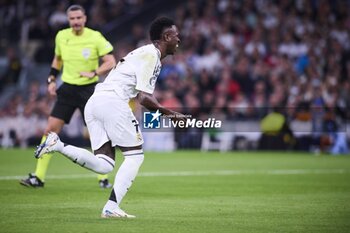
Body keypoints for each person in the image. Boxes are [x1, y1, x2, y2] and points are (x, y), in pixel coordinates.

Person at [34, 16, 184, 218]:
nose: (179, 40)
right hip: (113, 102)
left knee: (104, 163)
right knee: (135, 156)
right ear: (166, 37)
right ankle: (112, 207)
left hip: (95, 102)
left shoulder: (144, 53)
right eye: (176, 36)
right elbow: (144, 98)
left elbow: (141, 96)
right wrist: (171, 114)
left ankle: (58, 145)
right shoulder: (152, 55)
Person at [20, 5, 116, 189]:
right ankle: (38, 177)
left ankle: (103, 178)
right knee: (50, 129)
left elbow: (110, 61)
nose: (76, 21)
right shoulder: (62, 36)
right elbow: (57, 59)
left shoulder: (94, 36)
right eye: (72, 18)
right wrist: (51, 79)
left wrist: (94, 72)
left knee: (97, 133)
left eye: (79, 17)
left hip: (89, 90)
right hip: (68, 89)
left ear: (85, 18)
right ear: (68, 20)